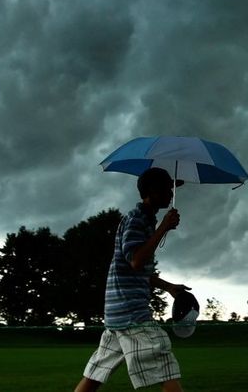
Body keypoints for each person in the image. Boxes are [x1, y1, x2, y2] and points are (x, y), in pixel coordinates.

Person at [75, 167, 190, 392]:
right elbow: (136, 260)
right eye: (166, 189)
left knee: (96, 373)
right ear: (152, 191)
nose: (170, 194)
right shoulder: (137, 219)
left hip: (117, 311)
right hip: (130, 311)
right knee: (164, 361)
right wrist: (164, 227)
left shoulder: (144, 219)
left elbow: (135, 271)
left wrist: (168, 287)